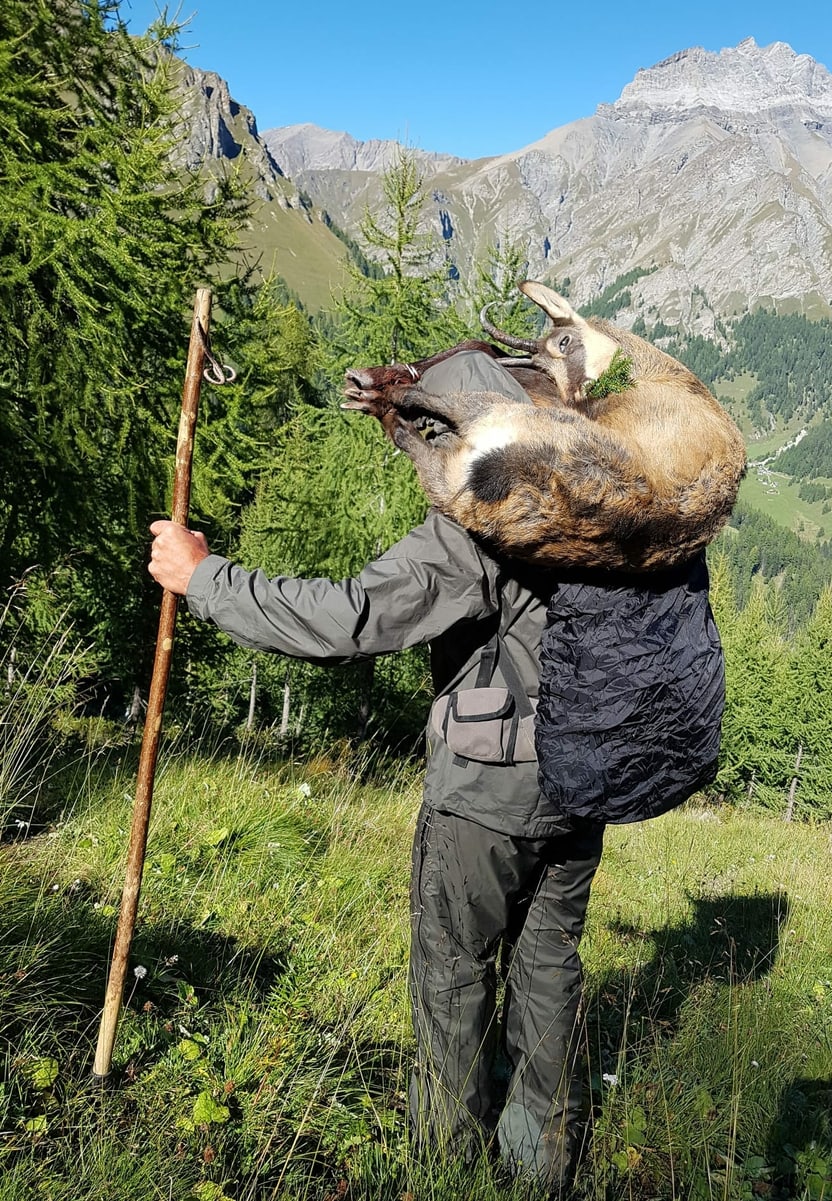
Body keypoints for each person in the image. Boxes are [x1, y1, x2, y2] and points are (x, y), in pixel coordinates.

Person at [148, 353, 607, 1191]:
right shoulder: (602, 520)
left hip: (481, 804)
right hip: (583, 790)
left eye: (439, 433)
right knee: (548, 978)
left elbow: (349, 617)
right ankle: (541, 1168)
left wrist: (204, 578)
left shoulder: (477, 532)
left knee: (453, 978)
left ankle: (446, 1171)